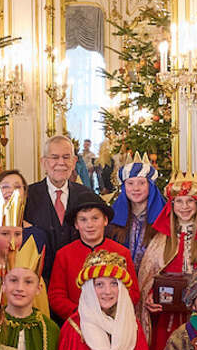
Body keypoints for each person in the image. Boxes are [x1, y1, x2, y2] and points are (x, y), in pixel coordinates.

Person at [137, 175, 197, 350]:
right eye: (179, 201)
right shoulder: (160, 239)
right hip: (165, 318)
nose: (184, 207)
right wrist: (149, 296)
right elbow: (147, 276)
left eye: (190, 201)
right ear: (171, 205)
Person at [47, 192, 137, 320]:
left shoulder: (122, 253)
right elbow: (56, 296)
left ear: (105, 220)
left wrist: (111, 312)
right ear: (76, 224)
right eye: (83, 219)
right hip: (78, 320)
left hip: (115, 320)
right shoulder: (64, 255)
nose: (89, 225)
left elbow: (133, 292)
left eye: (95, 218)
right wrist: (80, 313)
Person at [25, 135, 102, 275]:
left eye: (66, 157)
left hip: (79, 277)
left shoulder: (87, 195)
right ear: (44, 162)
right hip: (38, 278)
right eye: (54, 157)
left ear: (74, 162)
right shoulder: (27, 196)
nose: (61, 163)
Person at [111, 156, 167, 263]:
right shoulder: (113, 217)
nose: (136, 188)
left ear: (150, 186)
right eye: (130, 183)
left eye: (141, 183)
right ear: (124, 187)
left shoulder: (164, 216)